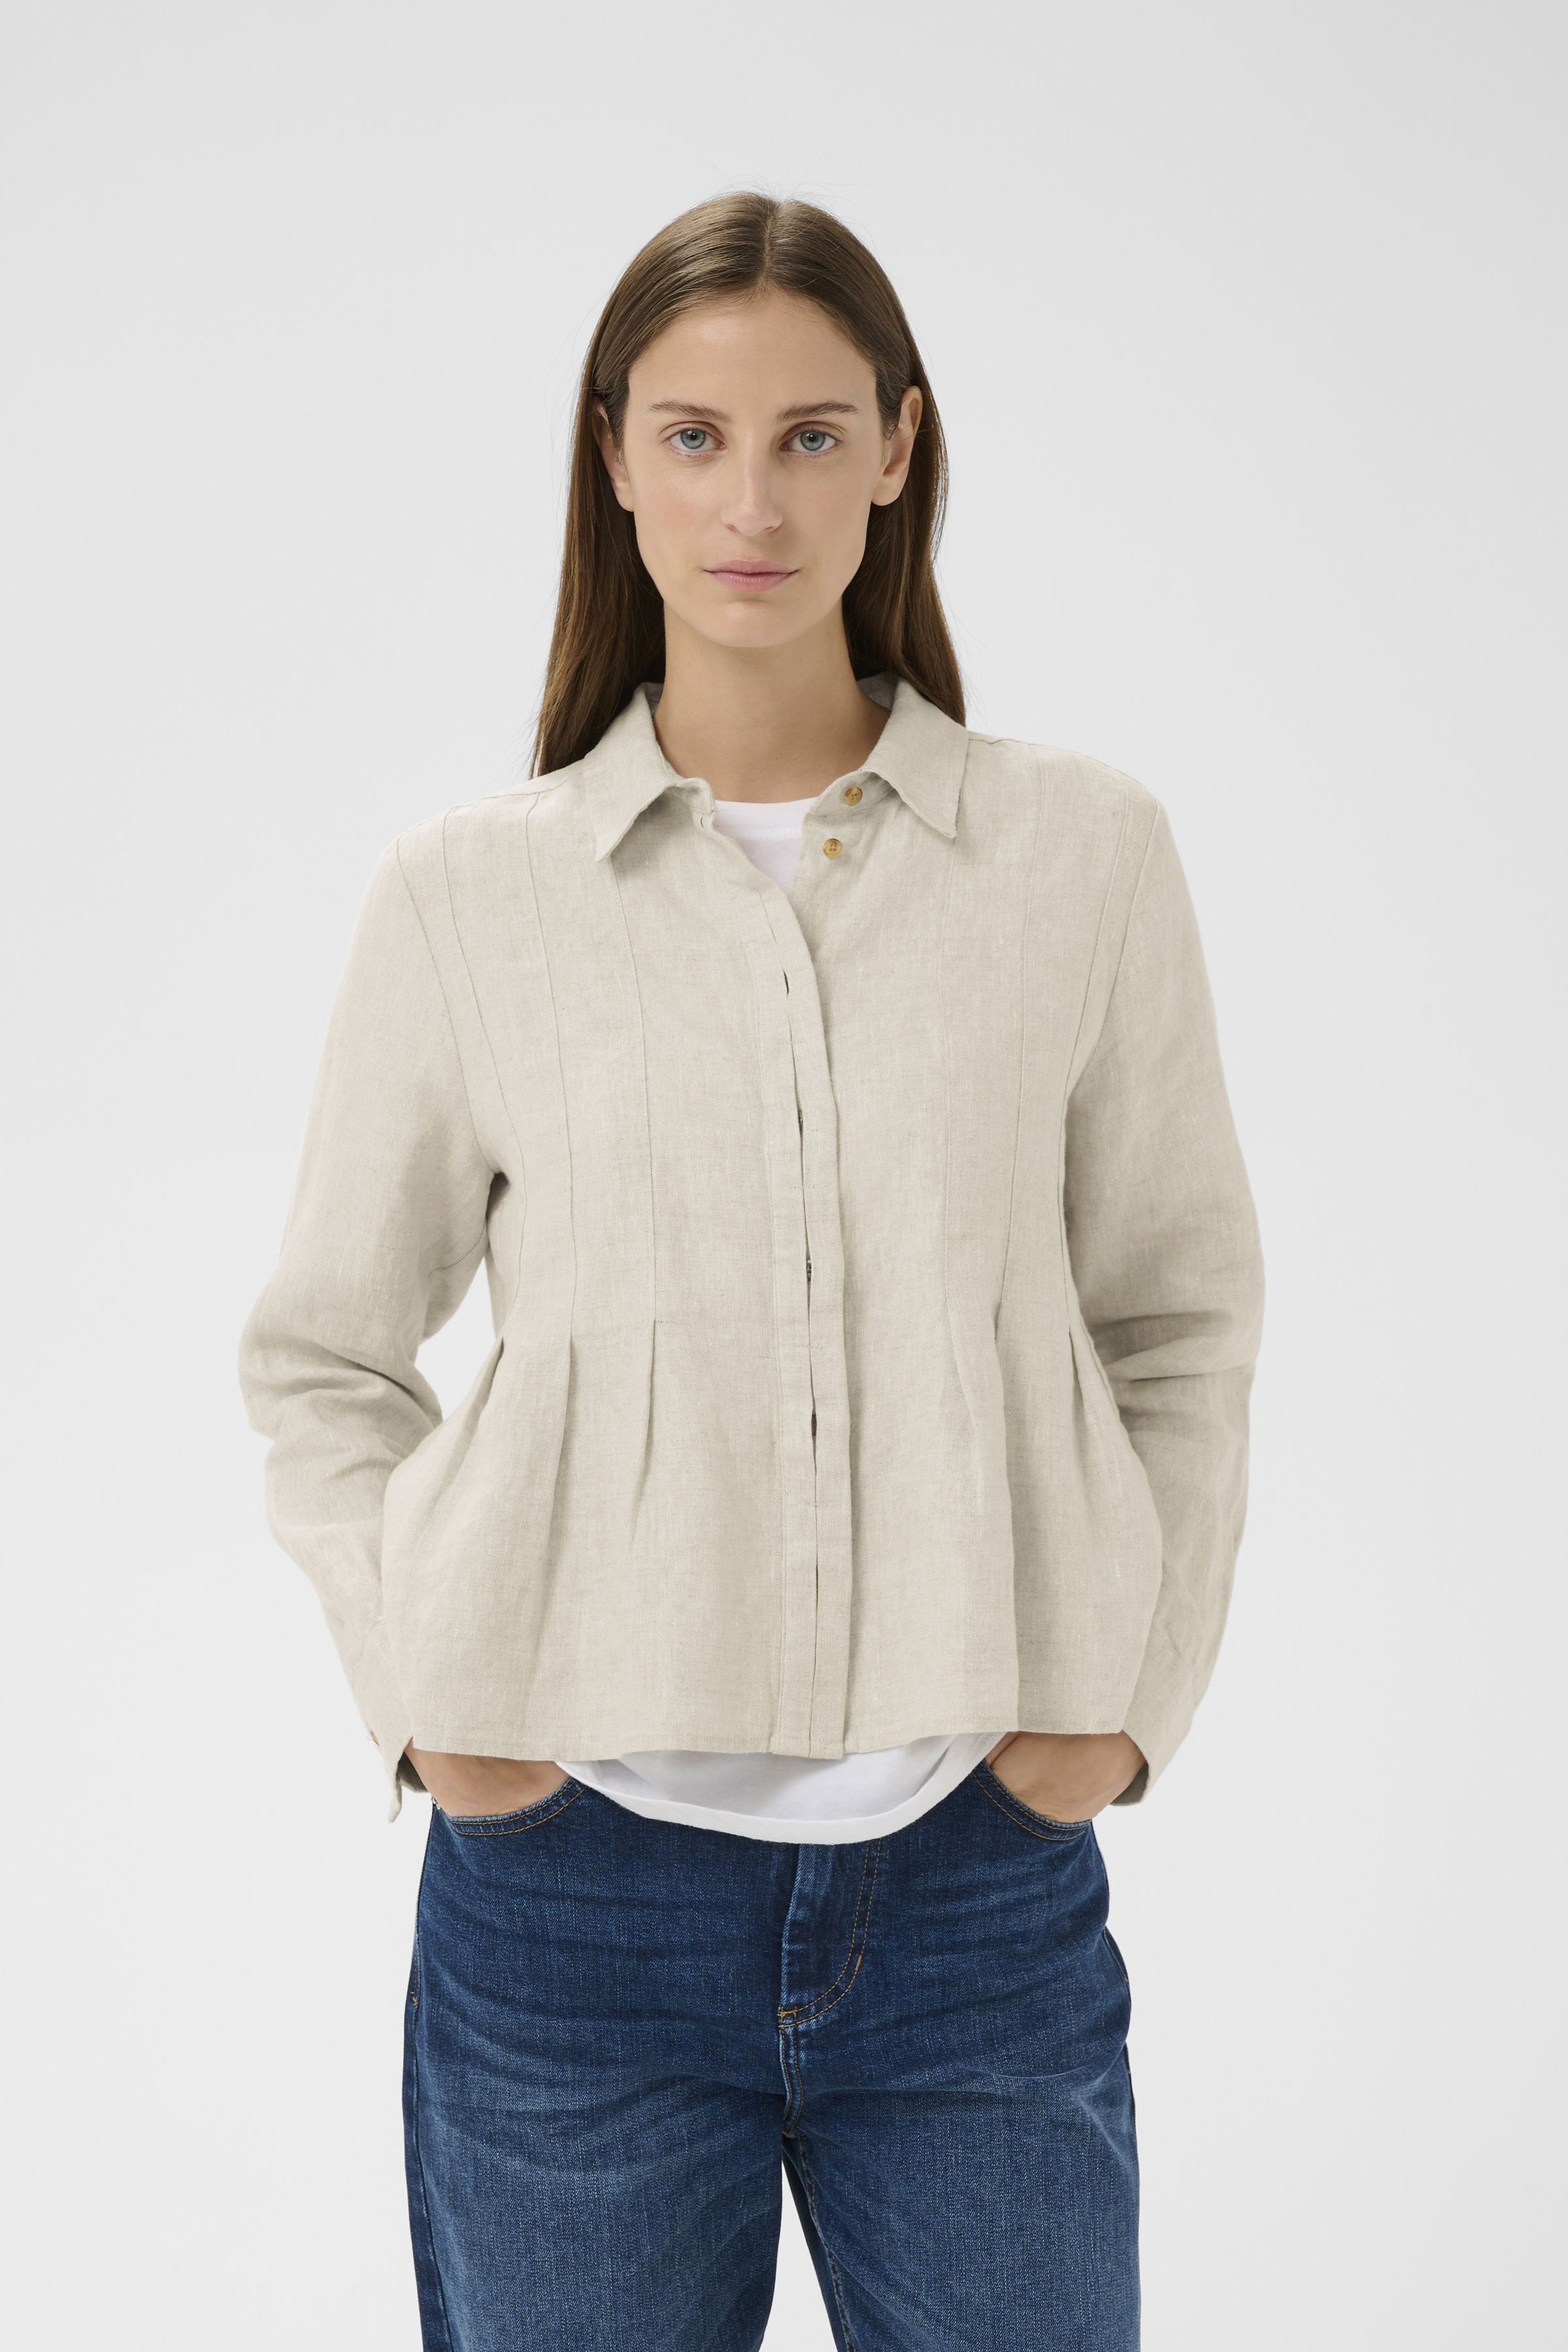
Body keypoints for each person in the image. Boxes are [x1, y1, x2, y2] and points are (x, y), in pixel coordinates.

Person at [239, 191, 1264, 2352]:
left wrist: (1124, 1706)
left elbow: (1176, 1314)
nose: (753, 503)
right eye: (694, 437)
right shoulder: (470, 898)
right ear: (613, 458)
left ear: (899, 448)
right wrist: (433, 1704)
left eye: (811, 435)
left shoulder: (1081, 858)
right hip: (569, 1913)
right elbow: (325, 1356)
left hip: (979, 1891)